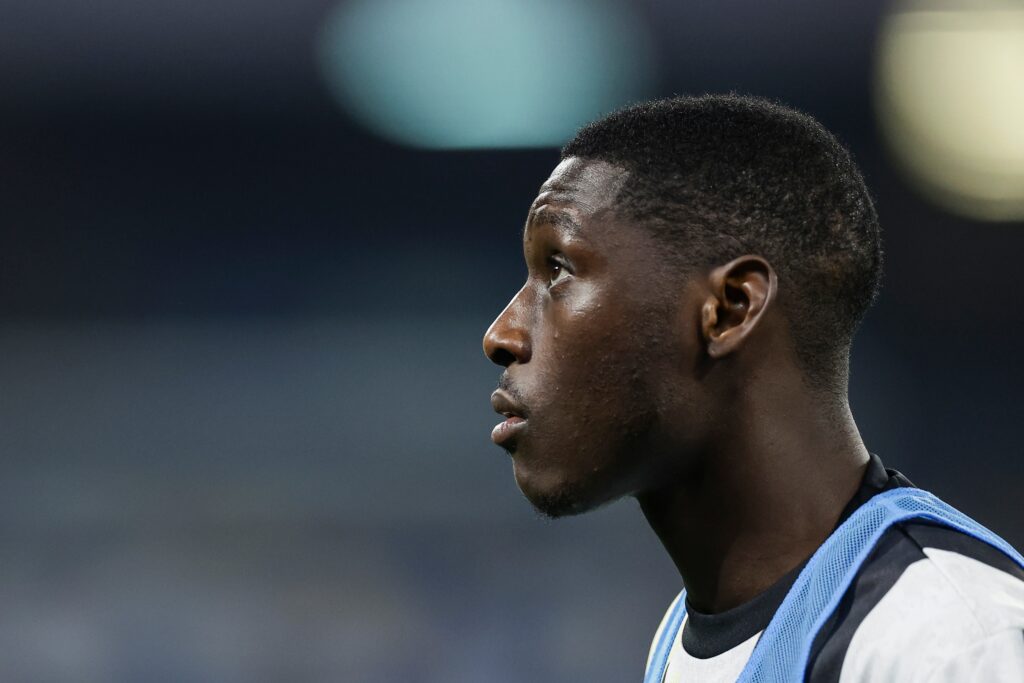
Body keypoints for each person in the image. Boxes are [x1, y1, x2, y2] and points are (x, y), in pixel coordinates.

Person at [482, 95, 1024, 682]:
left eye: (558, 269)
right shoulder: (684, 639)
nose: (501, 335)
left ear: (729, 309)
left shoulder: (948, 641)